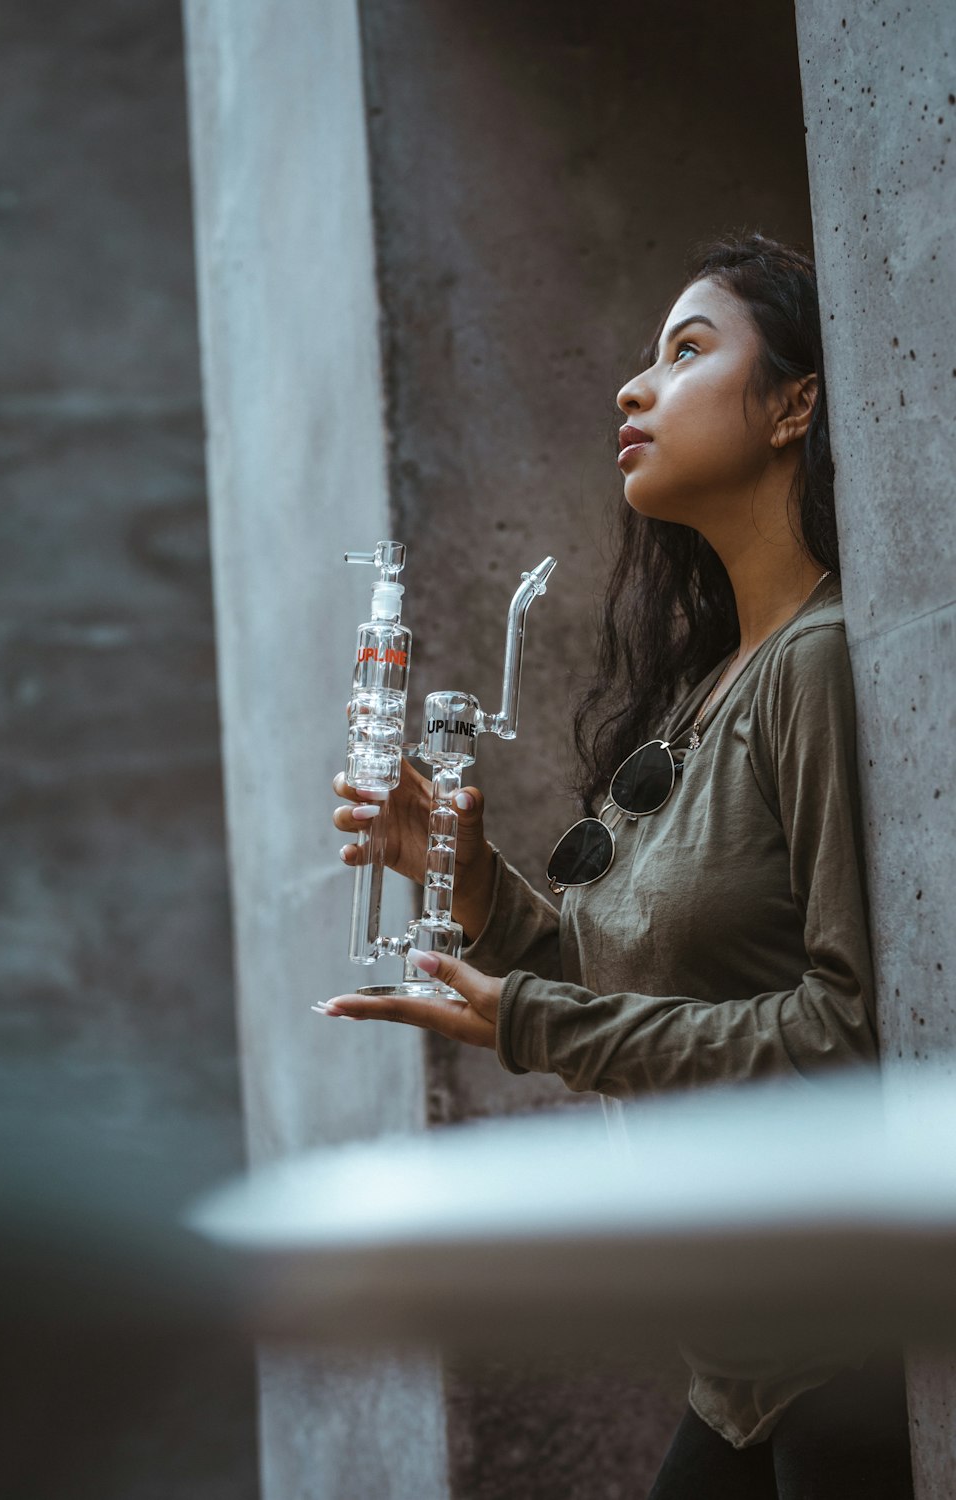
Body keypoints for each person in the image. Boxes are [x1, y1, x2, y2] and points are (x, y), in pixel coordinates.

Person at [317, 232, 915, 1498]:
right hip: (737, 1367)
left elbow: (846, 1031)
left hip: (849, 1355)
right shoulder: (700, 692)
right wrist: (475, 891)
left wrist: (534, 1021)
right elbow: (626, 981)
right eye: (643, 361)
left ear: (795, 405)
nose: (633, 390)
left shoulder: (819, 662)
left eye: (688, 353)